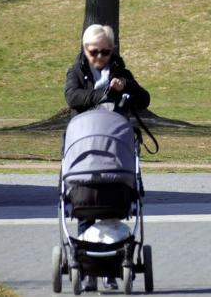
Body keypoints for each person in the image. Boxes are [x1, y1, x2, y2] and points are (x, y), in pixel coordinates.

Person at [64, 24, 150, 291]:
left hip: (114, 153)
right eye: (94, 52)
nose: (100, 57)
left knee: (113, 207)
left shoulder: (120, 70)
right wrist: (102, 93)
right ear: (85, 49)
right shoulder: (76, 71)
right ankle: (87, 267)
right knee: (86, 207)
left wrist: (125, 87)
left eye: (105, 52)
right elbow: (72, 97)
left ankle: (113, 266)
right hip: (86, 148)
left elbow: (144, 98)